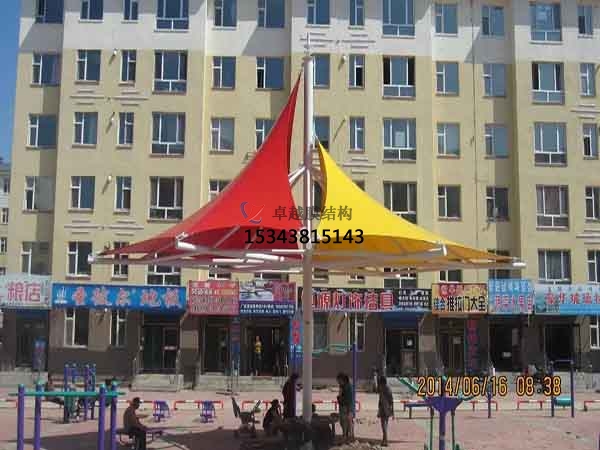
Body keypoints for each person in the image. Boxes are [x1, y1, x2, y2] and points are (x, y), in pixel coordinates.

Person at [336, 373, 354, 443]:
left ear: (342, 379)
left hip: (347, 407)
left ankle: (348, 437)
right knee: (343, 422)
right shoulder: (342, 386)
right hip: (343, 407)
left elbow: (349, 400)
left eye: (339, 380)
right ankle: (346, 436)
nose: (338, 382)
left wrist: (350, 411)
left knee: (347, 423)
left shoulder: (348, 387)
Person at [377, 376, 394, 447]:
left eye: (380, 383)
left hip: (384, 409)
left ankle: (385, 440)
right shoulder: (385, 389)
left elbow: (390, 400)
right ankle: (384, 440)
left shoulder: (385, 389)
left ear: (382, 383)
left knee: (383, 425)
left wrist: (392, 411)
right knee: (385, 425)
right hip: (386, 408)